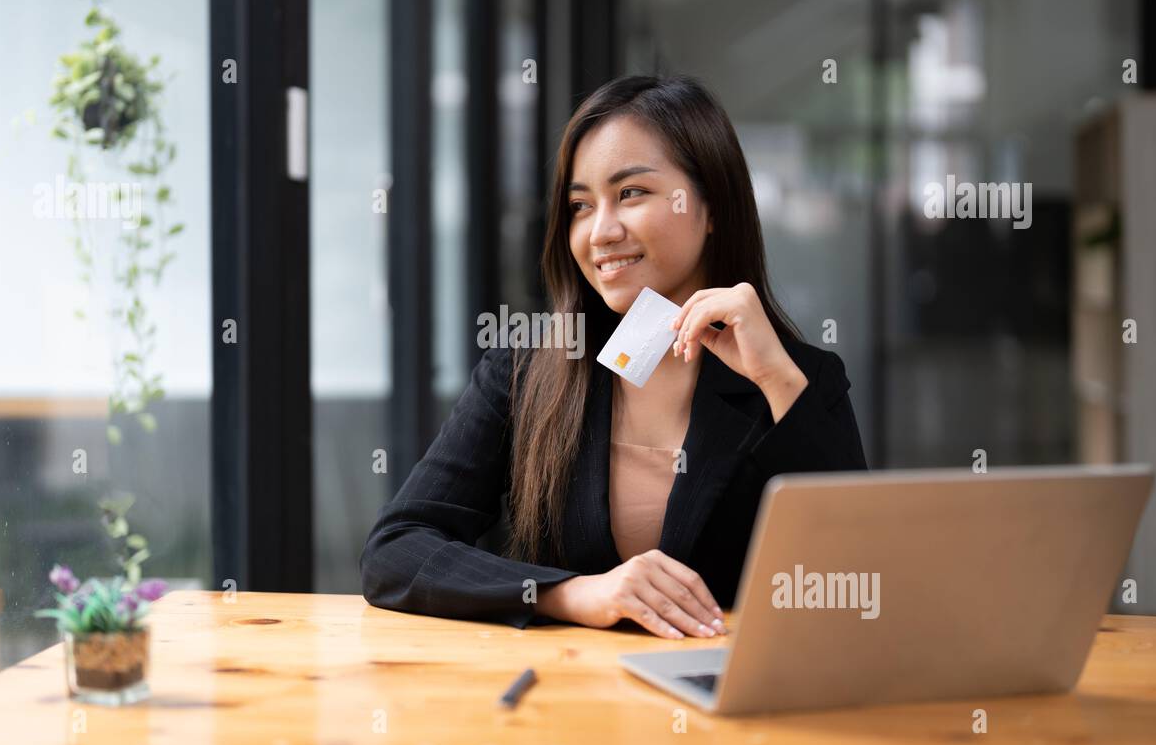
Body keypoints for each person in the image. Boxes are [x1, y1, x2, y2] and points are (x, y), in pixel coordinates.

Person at [360, 74, 867, 639]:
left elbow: (856, 581)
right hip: (570, 703)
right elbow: (396, 548)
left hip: (732, 705)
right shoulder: (528, 369)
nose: (600, 232)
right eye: (580, 205)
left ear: (713, 205)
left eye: (631, 194)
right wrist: (572, 593)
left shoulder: (801, 380)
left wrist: (776, 381)